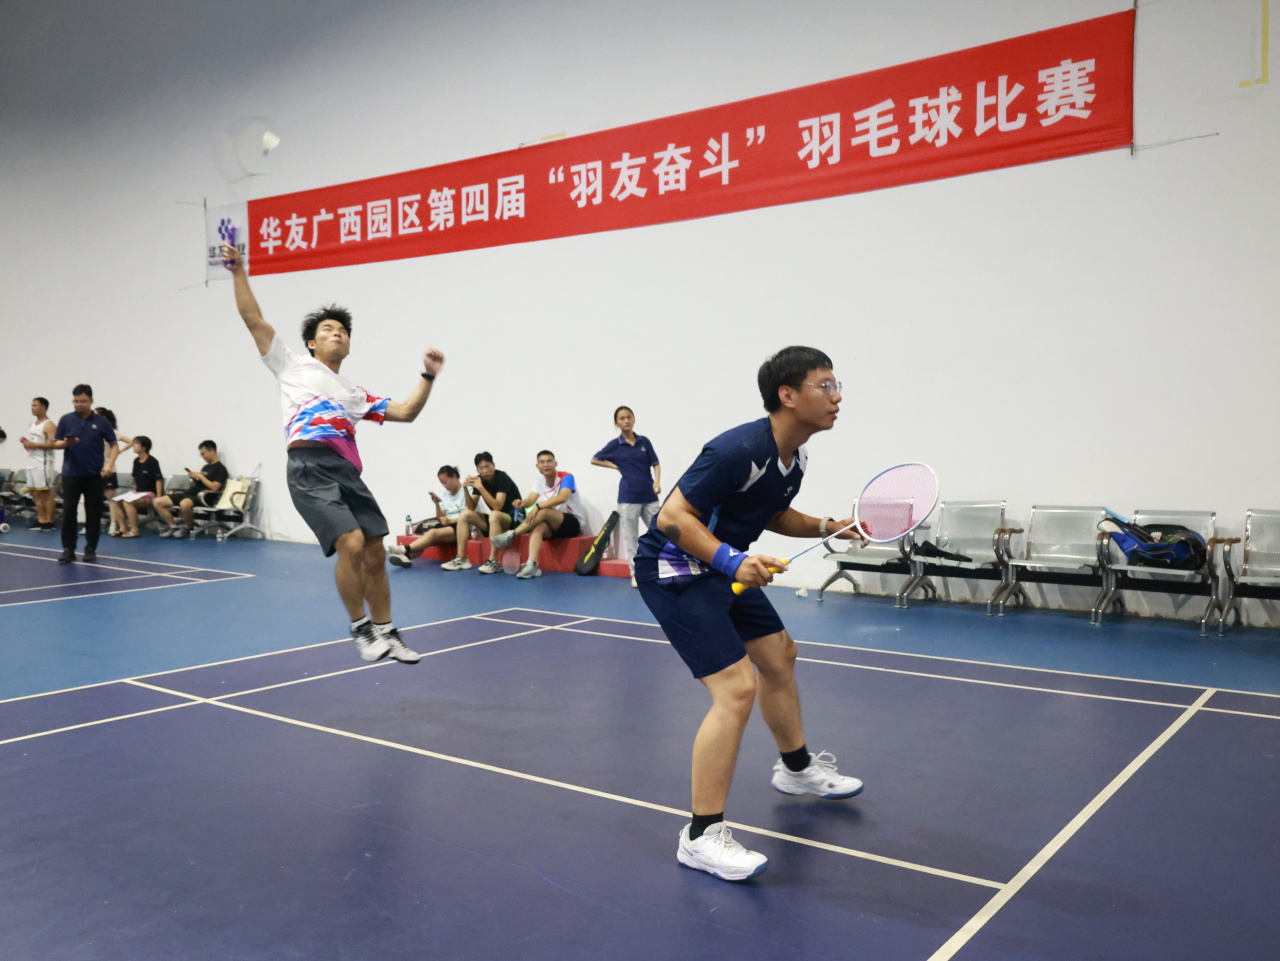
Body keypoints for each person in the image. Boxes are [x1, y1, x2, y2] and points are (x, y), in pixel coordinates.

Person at [634, 346, 864, 882]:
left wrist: (829, 526)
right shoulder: (736, 449)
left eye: (837, 386)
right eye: (826, 386)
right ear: (788, 395)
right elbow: (671, 517)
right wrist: (733, 561)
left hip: (720, 566)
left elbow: (771, 512)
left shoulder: (794, 457)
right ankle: (701, 836)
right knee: (736, 688)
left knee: (780, 657)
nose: (837, 397)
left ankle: (796, 769)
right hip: (676, 569)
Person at [222, 240, 443, 664]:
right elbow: (253, 319)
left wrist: (428, 376)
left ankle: (387, 631)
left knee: (375, 550)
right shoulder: (291, 365)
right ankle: (360, 627)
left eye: (342, 330)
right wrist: (239, 271)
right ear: (311, 343)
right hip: (309, 467)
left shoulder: (355, 394)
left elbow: (407, 412)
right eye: (327, 329)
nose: (337, 333)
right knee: (352, 543)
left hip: (346, 472)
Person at [591, 406, 661, 587]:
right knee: (631, 538)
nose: (626, 421)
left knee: (660, 532)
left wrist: (657, 482)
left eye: (629, 417)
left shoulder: (644, 441)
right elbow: (594, 459)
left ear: (634, 419)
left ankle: (662, 570)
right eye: (622, 418)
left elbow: (656, 463)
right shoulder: (615, 445)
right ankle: (636, 574)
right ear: (617, 423)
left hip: (649, 495)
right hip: (628, 497)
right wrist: (614, 466)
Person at [490, 450, 588, 579]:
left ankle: (511, 534)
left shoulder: (566, 477)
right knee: (538, 527)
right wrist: (522, 503)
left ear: (555, 463)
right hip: (553, 525)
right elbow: (531, 500)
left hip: (572, 524)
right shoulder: (539, 480)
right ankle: (532, 565)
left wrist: (538, 506)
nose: (546, 464)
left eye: (549, 461)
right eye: (542, 462)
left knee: (544, 511)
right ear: (537, 466)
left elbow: (563, 497)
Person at [52, 385, 118, 564]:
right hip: (71, 474)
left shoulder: (102, 422)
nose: (79, 404)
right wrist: (67, 442)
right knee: (69, 511)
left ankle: (90, 548)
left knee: (93, 512)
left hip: (94, 475)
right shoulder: (66, 419)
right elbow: (56, 443)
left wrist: (109, 465)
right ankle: (68, 549)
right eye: (75, 401)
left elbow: (114, 445)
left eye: (83, 401)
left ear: (91, 401)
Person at [450, 452, 524, 574]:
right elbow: (471, 507)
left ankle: (493, 561)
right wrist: (465, 489)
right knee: (465, 514)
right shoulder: (479, 480)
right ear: (477, 469)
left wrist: (480, 487)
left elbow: (497, 506)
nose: (485, 471)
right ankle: (461, 558)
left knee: (494, 514)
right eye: (481, 468)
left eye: (487, 466)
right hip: (496, 521)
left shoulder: (502, 477)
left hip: (515, 519)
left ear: (493, 465)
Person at [388, 465, 468, 567]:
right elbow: (441, 516)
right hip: (447, 525)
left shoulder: (467, 491)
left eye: (445, 482)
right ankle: (405, 557)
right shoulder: (446, 494)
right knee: (427, 539)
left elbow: (468, 515)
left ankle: (404, 549)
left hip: (460, 525)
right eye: (442, 483)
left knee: (433, 533)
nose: (444, 486)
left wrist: (450, 521)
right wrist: (437, 504)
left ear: (454, 476)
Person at [155, 440, 229, 538]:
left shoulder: (221, 469)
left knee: (184, 504)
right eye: (201, 454)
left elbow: (215, 487)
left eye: (203, 454)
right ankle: (173, 526)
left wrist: (200, 476)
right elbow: (202, 482)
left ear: (212, 451)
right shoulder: (206, 467)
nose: (203, 457)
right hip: (191, 493)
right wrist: (195, 478)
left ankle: (188, 527)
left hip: (204, 496)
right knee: (158, 502)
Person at [108, 436, 163, 538]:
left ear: (144, 447)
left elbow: (158, 480)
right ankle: (123, 528)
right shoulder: (136, 461)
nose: (134, 446)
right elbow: (135, 478)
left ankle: (135, 530)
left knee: (127, 502)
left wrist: (159, 497)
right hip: (138, 493)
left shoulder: (152, 462)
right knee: (115, 501)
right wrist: (134, 492)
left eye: (137, 444)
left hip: (150, 494)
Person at [17, 397, 57, 531]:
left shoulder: (49, 425)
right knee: (34, 492)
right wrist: (26, 444)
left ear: (43, 407)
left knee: (45, 492)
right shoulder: (32, 424)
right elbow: (32, 443)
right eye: (32, 405)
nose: (32, 408)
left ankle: (49, 521)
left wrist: (34, 444)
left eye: (35, 405)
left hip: (43, 463)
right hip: (31, 461)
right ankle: (41, 519)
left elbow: (54, 444)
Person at [94, 408, 129, 534]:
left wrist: (120, 451)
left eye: (95, 414)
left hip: (109, 469)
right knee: (93, 498)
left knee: (111, 499)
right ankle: (91, 524)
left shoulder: (111, 432)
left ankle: (113, 524)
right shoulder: (93, 432)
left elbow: (131, 441)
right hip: (95, 469)